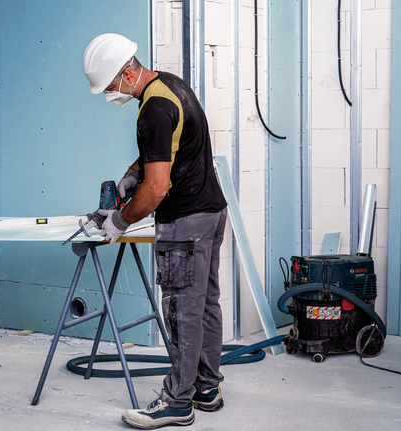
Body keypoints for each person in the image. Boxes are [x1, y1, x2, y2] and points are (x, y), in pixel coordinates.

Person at [82, 33, 229, 430]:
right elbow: (166, 148)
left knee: (182, 310)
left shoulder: (153, 109)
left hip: (185, 220)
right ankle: (206, 387)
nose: (112, 92)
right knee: (205, 304)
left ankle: (177, 402)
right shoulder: (169, 84)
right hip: (212, 212)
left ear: (127, 72)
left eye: (111, 84)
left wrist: (119, 221)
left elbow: (157, 188)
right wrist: (134, 172)